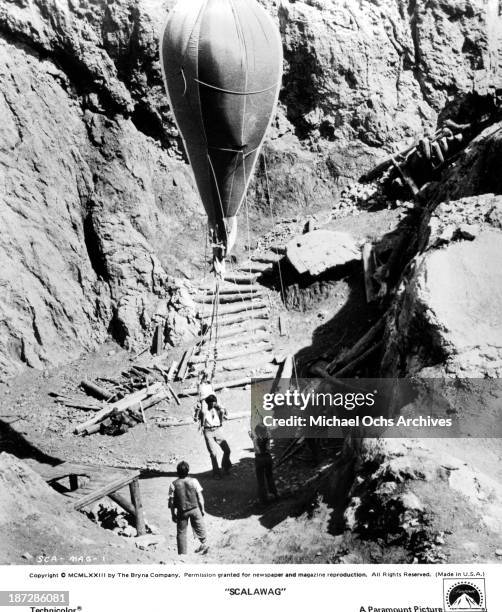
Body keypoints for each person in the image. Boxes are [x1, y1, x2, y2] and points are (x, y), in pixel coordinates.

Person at [168, 460, 208, 555]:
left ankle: (182, 554)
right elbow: (200, 498)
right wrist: (202, 510)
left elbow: (172, 501)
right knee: (200, 527)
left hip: (182, 511)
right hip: (194, 508)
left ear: (177, 471)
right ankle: (204, 544)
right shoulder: (194, 481)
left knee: (181, 532)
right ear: (188, 471)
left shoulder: (173, 484)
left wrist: (173, 514)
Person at [195, 383, 232, 478]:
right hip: (208, 431)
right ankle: (216, 472)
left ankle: (225, 466)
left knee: (227, 450)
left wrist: (222, 413)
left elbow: (224, 412)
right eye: (210, 404)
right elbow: (197, 417)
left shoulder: (218, 409)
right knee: (213, 453)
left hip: (217, 429)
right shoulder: (203, 410)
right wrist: (199, 411)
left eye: (213, 403)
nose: (212, 405)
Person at [249, 423, 279, 505]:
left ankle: (263, 499)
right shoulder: (268, 437)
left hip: (259, 459)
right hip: (268, 457)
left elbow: (250, 433)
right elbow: (268, 447)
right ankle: (275, 494)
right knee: (270, 477)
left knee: (261, 480)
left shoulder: (255, 438)